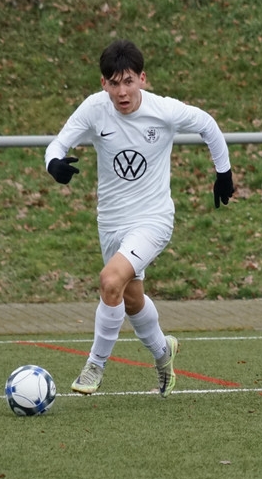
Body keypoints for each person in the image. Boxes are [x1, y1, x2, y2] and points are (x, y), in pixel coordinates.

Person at [45, 39, 235, 397]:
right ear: (103, 84)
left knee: (109, 280)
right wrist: (54, 164)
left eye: (128, 81)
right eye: (113, 83)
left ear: (142, 79)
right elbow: (57, 145)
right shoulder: (93, 109)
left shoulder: (163, 110)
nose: (122, 91)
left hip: (153, 219)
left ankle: (94, 367)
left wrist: (223, 173)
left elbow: (207, 124)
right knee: (130, 299)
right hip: (111, 223)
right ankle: (164, 354)